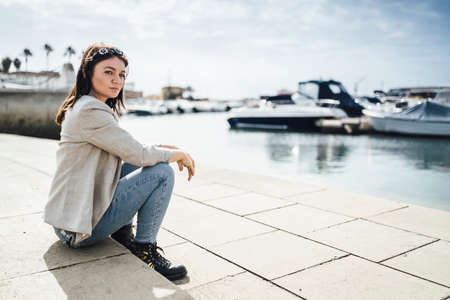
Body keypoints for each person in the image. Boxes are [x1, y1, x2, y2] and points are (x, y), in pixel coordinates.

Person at [43, 42, 195, 281]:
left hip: (69, 221)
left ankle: (123, 232)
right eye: (108, 72)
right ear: (87, 73)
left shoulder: (87, 105)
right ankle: (145, 249)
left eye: (122, 74)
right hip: (76, 230)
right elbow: (139, 153)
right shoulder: (90, 111)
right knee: (162, 172)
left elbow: (129, 147)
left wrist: (166, 148)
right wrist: (179, 155)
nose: (117, 80)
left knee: (145, 164)